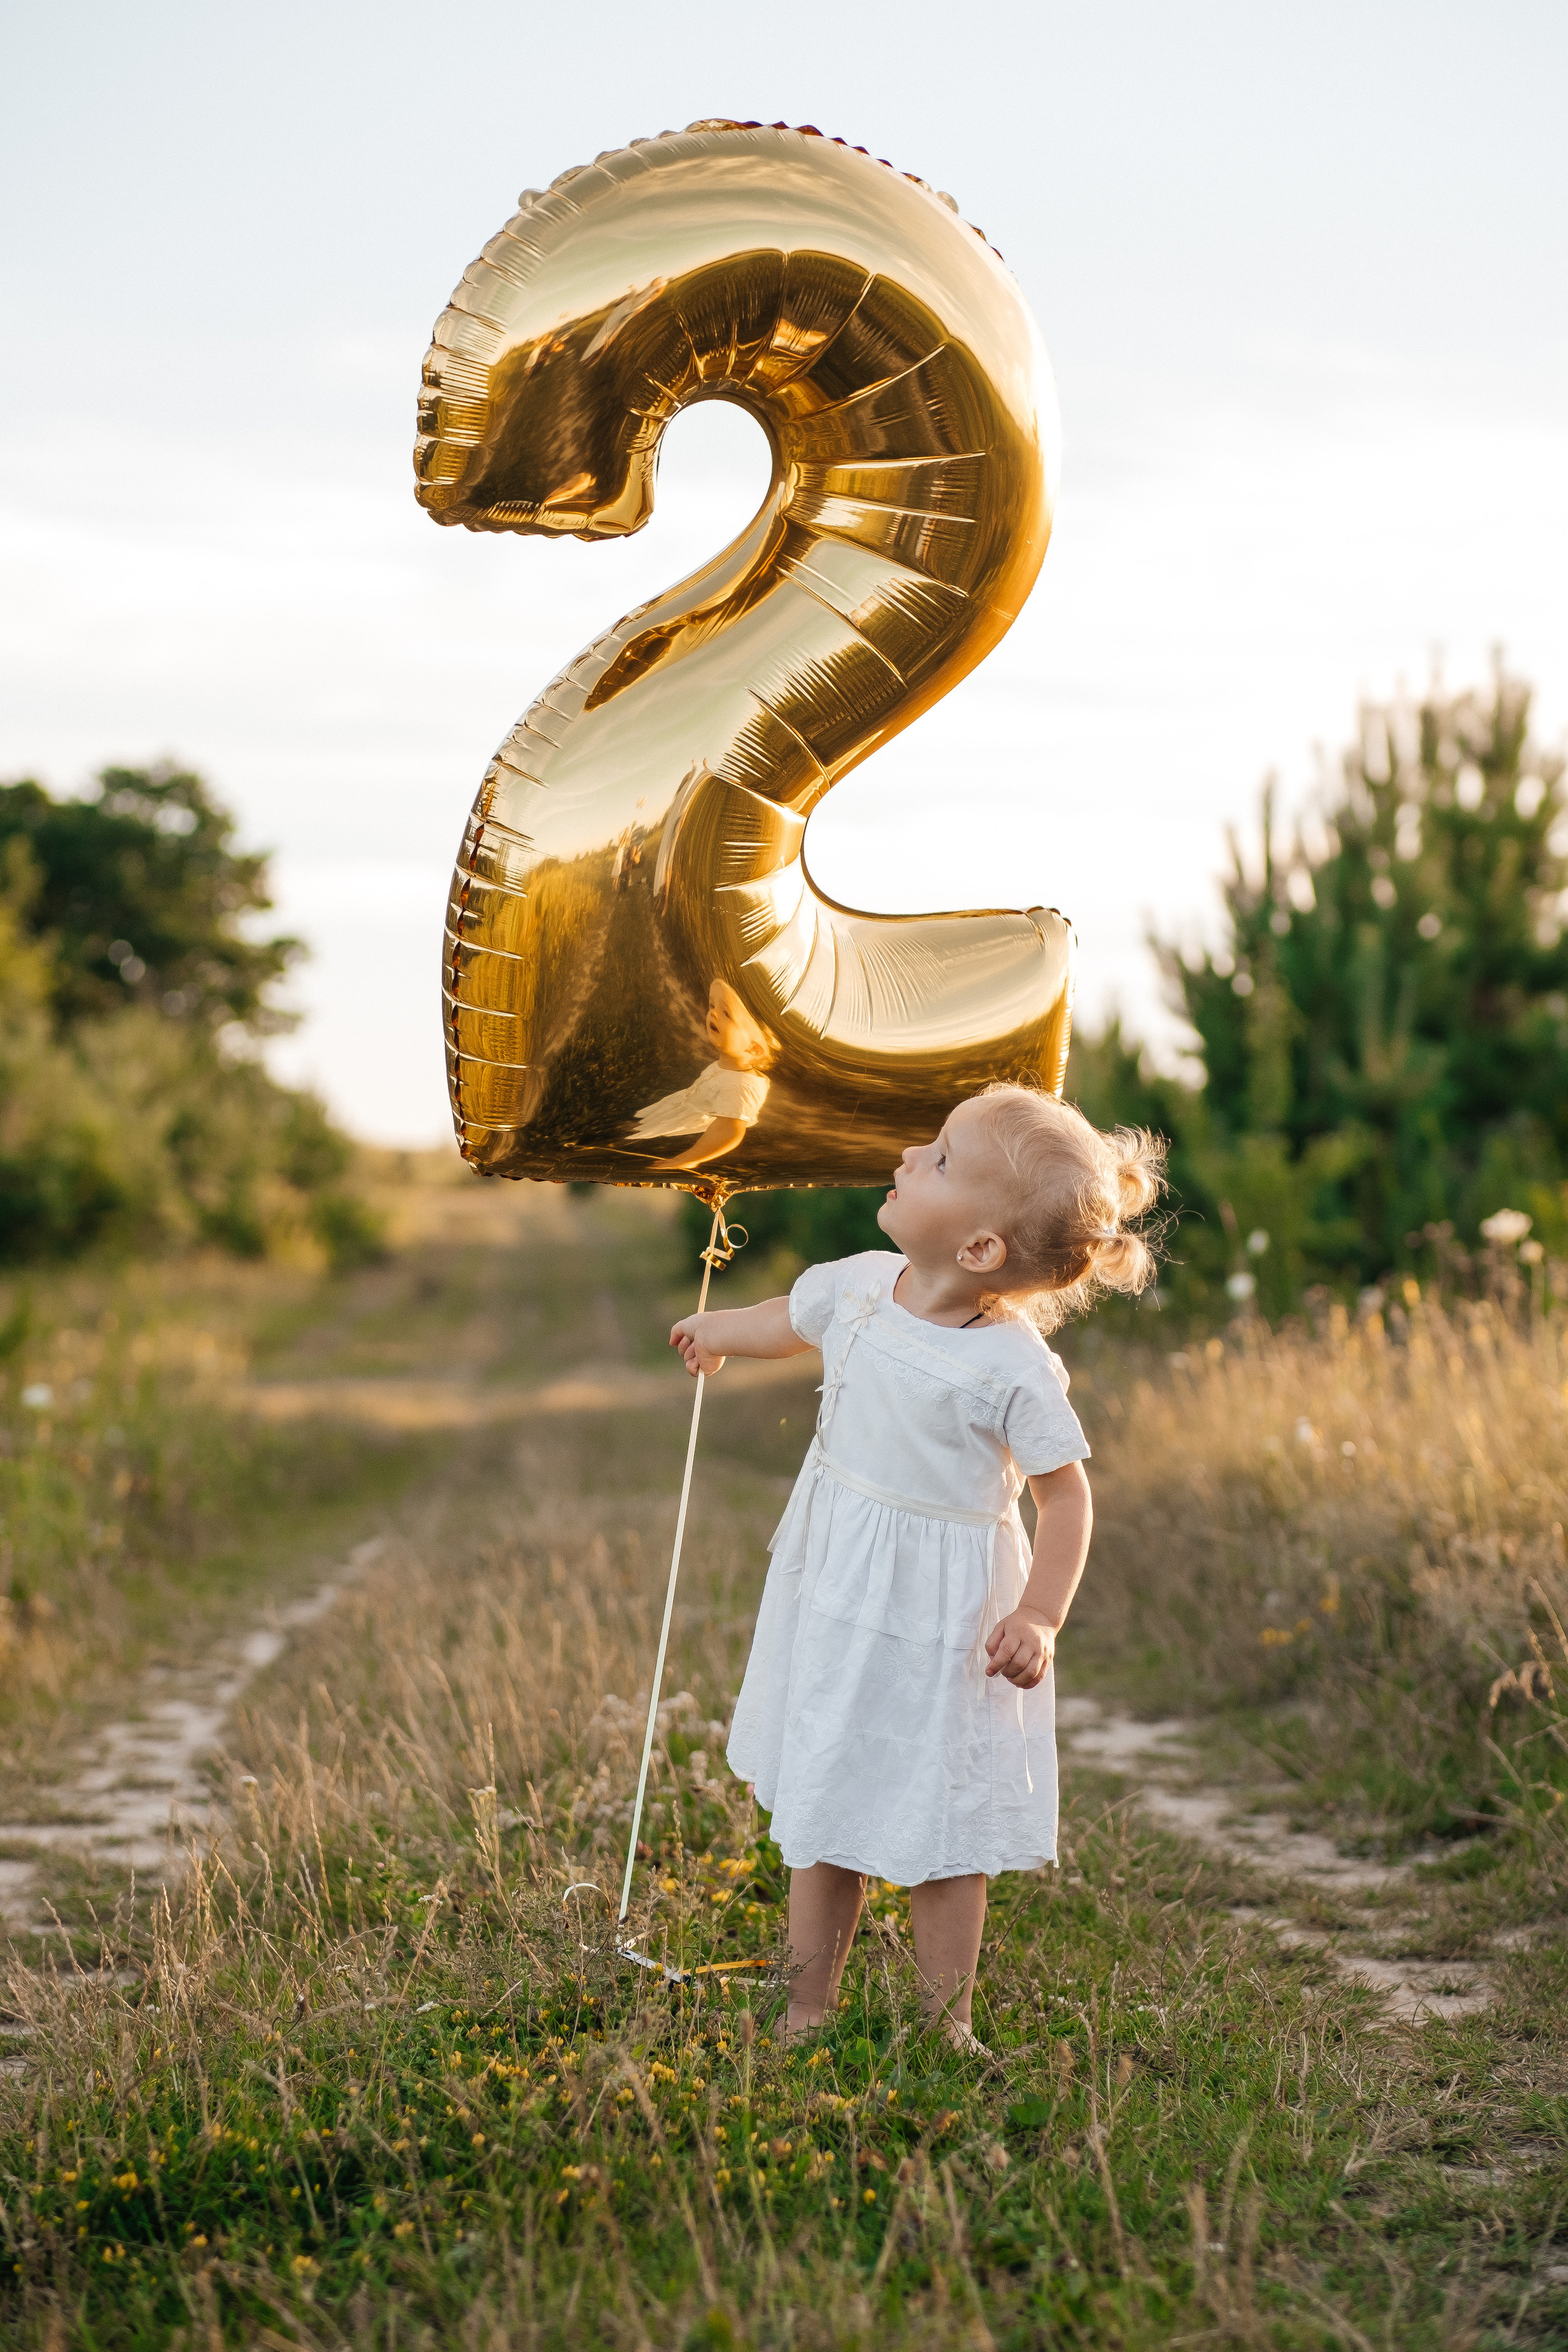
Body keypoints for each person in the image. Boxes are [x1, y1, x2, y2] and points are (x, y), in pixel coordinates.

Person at [668, 1083, 1164, 2049]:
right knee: (827, 1791)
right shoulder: (859, 1284)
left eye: (938, 1159)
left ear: (979, 1249)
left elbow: (1066, 1497)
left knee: (944, 1814)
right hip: (840, 1588)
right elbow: (790, 1318)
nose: (908, 1157)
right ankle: (806, 2009)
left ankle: (948, 2025)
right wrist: (718, 1334)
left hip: (949, 1617)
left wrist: (1041, 1616)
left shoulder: (1012, 1368)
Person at [629, 976, 780, 1173]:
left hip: (686, 1133)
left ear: (754, 1048)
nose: (713, 1013)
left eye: (727, 1013)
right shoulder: (730, 1066)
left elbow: (729, 1131)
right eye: (712, 1005)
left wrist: (686, 1159)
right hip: (676, 1112)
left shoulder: (740, 1087)